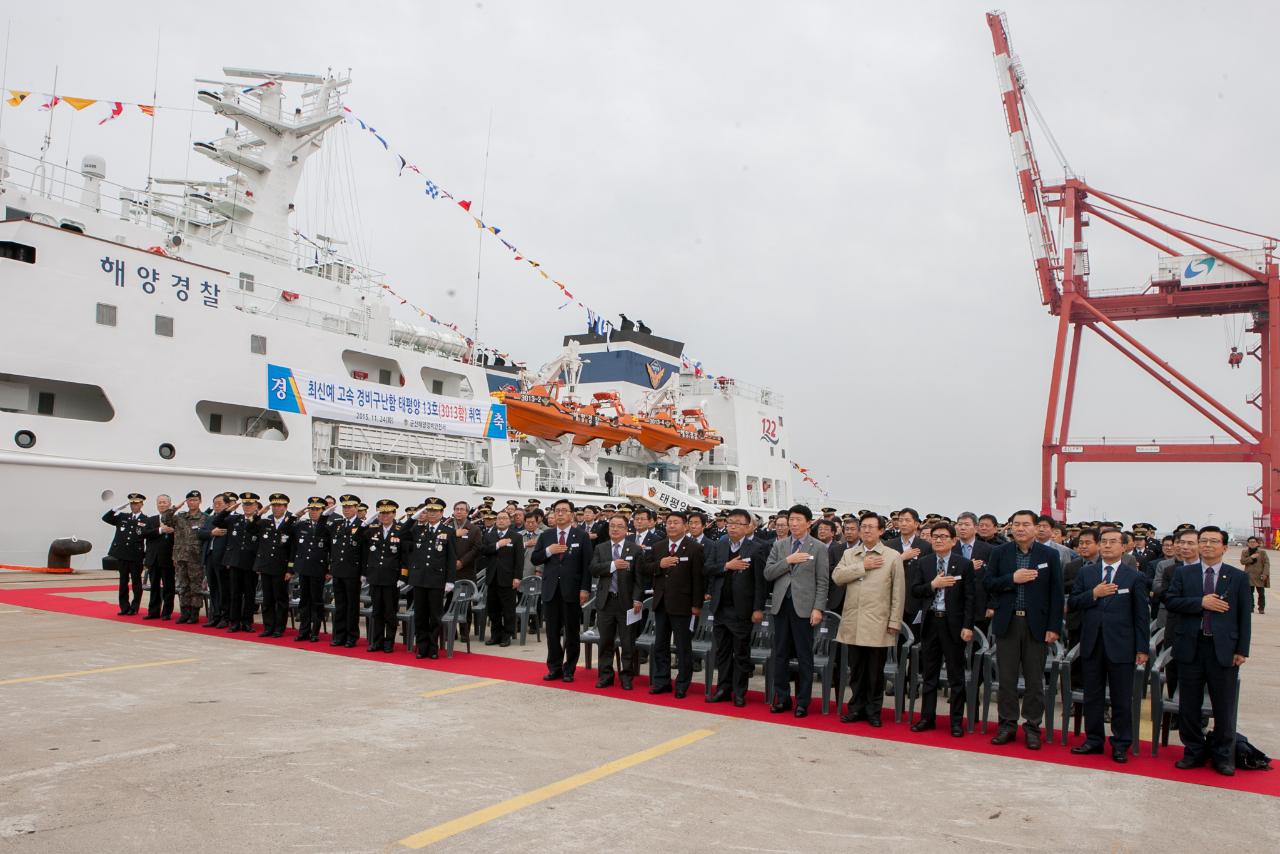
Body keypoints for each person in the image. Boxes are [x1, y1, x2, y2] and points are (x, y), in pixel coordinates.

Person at [1165, 525, 1251, 776]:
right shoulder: (1184, 574)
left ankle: (1223, 756)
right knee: (1188, 704)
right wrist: (1200, 603)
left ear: (1224, 547)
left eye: (1214, 541)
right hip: (1191, 647)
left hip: (1222, 649)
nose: (1208, 545)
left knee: (1223, 705)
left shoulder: (1237, 577)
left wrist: (1242, 649)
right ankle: (1193, 751)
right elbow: (1171, 601)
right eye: (1204, 541)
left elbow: (1244, 616)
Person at [1067, 528, 1150, 763]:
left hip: (1122, 646)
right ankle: (1093, 739)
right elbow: (1074, 602)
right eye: (1103, 541)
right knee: (1092, 695)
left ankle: (1121, 742)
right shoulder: (1087, 573)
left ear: (1123, 547)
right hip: (1092, 644)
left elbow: (1141, 615)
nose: (1107, 546)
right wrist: (1094, 593)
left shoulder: (1133, 576)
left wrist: (1142, 648)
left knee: (1121, 697)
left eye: (1113, 542)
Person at [984, 509, 1063, 750]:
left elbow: (1056, 594)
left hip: (1036, 625)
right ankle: (1007, 724)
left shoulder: (1049, 555)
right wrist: (1012, 579)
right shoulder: (1000, 553)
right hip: (1008, 623)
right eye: (1016, 524)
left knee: (1034, 680)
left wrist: (1053, 627)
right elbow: (988, 583)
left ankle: (1032, 726)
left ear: (1036, 527)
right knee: (1006, 679)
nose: (1020, 528)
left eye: (1025, 524)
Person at [833, 513, 905, 727]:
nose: (866, 531)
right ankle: (855, 708)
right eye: (863, 526)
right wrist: (863, 566)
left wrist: (894, 621)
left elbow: (898, 593)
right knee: (856, 671)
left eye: (871, 527)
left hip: (878, 622)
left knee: (875, 672)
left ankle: (874, 710)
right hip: (854, 621)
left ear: (881, 531)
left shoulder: (892, 556)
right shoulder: (850, 553)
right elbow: (837, 577)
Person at [908, 522, 974, 736]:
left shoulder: (963, 564)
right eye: (935, 536)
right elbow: (916, 590)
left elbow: (970, 598)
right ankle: (927, 717)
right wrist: (933, 585)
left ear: (954, 541)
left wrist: (967, 625)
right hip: (930, 623)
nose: (938, 540)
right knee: (929, 674)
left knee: (956, 675)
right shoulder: (925, 563)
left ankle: (956, 722)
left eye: (944, 536)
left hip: (953, 624)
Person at [763, 505, 829, 718]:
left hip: (805, 608)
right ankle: (781, 698)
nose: (793, 523)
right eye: (791, 519)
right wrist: (788, 561)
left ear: (809, 522)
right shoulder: (780, 546)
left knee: (804, 656)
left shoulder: (818, 547)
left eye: (798, 519)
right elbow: (768, 573)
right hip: (781, 606)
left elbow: (822, 581)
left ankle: (803, 702)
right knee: (780, 654)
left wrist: (818, 608)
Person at [703, 507, 765, 706]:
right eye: (730, 523)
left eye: (738, 523)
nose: (732, 527)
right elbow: (707, 569)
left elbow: (760, 583)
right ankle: (723, 688)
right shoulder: (719, 545)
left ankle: (740, 692)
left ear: (747, 527)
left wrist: (758, 608)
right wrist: (726, 567)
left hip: (743, 610)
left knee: (740, 652)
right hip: (721, 607)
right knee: (722, 651)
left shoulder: (756, 548)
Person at [640, 511, 705, 698]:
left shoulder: (694, 548)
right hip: (661, 604)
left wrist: (696, 605)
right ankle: (662, 681)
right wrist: (660, 564)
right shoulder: (658, 546)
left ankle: (683, 683)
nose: (671, 526)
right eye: (669, 522)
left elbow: (698, 580)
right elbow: (645, 568)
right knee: (660, 644)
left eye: (676, 523)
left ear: (685, 526)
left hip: (684, 605)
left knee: (683, 647)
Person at [530, 498, 592, 682]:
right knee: (552, 632)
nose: (560, 513)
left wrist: (585, 589)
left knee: (571, 632)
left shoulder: (581, 536)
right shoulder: (546, 536)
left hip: (572, 591)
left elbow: (586, 565)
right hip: (551, 590)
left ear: (572, 514)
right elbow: (535, 559)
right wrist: (548, 551)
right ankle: (554, 667)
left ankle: (569, 669)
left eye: (564, 510)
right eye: (557, 510)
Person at [589, 514, 644, 690]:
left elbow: (639, 579)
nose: (615, 529)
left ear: (627, 529)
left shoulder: (634, 549)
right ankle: (605, 675)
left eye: (619, 526)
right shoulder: (601, 548)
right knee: (606, 641)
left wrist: (637, 598)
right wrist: (612, 565)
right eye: (612, 525)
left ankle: (626, 676)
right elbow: (593, 569)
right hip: (606, 602)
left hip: (627, 603)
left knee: (628, 642)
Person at [404, 498, 455, 659]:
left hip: (436, 579)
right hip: (419, 578)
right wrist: (413, 517)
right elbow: (402, 533)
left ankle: (433, 647)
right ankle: (422, 646)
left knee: (434, 616)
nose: (432, 514)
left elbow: (451, 558)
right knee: (420, 615)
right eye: (429, 511)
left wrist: (450, 580)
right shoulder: (418, 530)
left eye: (435, 511)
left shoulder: (448, 531)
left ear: (441, 513)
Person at [362, 499, 406, 653]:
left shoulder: (401, 530)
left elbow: (404, 556)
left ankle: (389, 642)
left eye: (388, 513)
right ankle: (377, 641)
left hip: (392, 578)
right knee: (377, 611)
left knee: (390, 612)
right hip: (375, 577)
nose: (384, 516)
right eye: (381, 513)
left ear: (394, 514)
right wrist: (365, 523)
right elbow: (358, 542)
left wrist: (403, 576)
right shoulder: (372, 529)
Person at [252, 494, 296, 639]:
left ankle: (279, 628)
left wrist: (290, 569)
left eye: (280, 505)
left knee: (280, 599)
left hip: (281, 567)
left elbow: (293, 549)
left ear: (285, 507)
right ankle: (268, 627)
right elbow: (250, 529)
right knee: (267, 599)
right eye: (274, 505)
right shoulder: (265, 521)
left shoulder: (291, 523)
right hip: (266, 566)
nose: (277, 508)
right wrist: (259, 514)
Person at [217, 492, 261, 633]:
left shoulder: (260, 522)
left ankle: (247, 622)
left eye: (250, 504)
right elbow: (216, 522)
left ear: (256, 506)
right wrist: (228, 510)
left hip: (250, 563)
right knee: (235, 593)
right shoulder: (234, 519)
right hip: (235, 562)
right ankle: (234, 622)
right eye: (245, 504)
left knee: (249, 594)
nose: (247, 507)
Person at [324, 494, 365, 648]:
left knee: (352, 606)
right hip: (338, 570)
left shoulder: (363, 525)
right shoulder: (337, 524)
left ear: (356, 508)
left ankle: (351, 636)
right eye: (345, 507)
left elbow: (364, 552)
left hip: (353, 572)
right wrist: (325, 515)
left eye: (350, 507)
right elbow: (324, 535)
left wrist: (363, 573)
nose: (347, 510)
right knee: (340, 605)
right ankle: (338, 635)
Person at [289, 497, 331, 642]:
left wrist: (329, 570)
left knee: (316, 601)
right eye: (311, 509)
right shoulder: (301, 525)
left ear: (322, 510)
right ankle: (303, 630)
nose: (313, 512)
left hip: (318, 569)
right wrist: (296, 515)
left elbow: (331, 550)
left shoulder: (327, 527)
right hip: (303, 568)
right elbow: (285, 529)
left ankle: (315, 631)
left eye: (316, 509)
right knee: (304, 601)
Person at [481, 509, 523, 647]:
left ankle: (507, 635)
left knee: (508, 609)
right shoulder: (489, 536)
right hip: (493, 577)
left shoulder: (516, 537)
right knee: (493, 609)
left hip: (508, 578)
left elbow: (519, 559)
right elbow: (484, 551)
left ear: (509, 521)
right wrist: (498, 544)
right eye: (499, 518)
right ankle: (495, 634)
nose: (501, 520)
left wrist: (517, 577)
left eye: (504, 518)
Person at [102, 493, 148, 615]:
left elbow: (148, 538)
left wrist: (146, 557)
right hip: (122, 555)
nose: (134, 506)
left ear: (141, 504)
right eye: (132, 503)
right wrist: (116, 509)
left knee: (136, 582)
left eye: (137, 503)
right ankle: (124, 607)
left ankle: (134, 607)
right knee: (123, 582)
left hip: (136, 556)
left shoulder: (146, 520)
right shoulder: (122, 516)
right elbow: (106, 518)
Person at [886, 508, 931, 630]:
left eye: (907, 520)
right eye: (901, 520)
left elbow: (927, 576)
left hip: (914, 602)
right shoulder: (888, 545)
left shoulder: (926, 547)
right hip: (891, 602)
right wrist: (901, 558)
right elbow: (884, 571)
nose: (903, 524)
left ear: (916, 524)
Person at [171, 490, 208, 624]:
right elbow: (165, 519)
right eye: (190, 500)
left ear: (200, 501)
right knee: (183, 585)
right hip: (180, 556)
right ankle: (184, 612)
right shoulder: (180, 517)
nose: (192, 502)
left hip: (195, 557)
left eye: (195, 500)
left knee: (195, 586)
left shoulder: (205, 518)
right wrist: (176, 507)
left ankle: (194, 614)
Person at [955, 512, 994, 635]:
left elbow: (993, 579)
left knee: (977, 644)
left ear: (976, 528)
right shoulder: (950, 548)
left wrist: (992, 605)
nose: (962, 528)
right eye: (960, 524)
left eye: (966, 524)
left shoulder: (989, 550)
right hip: (954, 606)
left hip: (980, 607)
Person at [198, 493, 230, 627]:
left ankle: (225, 616)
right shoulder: (210, 519)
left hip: (222, 559)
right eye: (214, 504)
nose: (216, 506)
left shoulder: (230, 519)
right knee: (214, 589)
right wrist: (212, 533)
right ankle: (215, 615)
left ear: (228, 505)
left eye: (219, 504)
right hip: (209, 557)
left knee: (224, 589)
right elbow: (200, 533)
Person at [142, 495, 177, 620]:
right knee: (154, 586)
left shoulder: (175, 520)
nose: (162, 505)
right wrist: (160, 530)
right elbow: (144, 533)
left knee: (168, 586)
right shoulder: (151, 520)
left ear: (169, 504)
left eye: (164, 502)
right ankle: (153, 611)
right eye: (160, 502)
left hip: (168, 558)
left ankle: (167, 612)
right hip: (153, 558)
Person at [1240, 536, 1269, 615]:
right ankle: (1250, 608)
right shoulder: (1244, 552)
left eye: (1254, 542)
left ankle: (1261, 608)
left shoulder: (1262, 552)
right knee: (1249, 593)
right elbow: (1242, 562)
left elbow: (1266, 563)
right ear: (1248, 543)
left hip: (1260, 576)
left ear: (1257, 543)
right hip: (1249, 576)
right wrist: (1251, 557)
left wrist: (1265, 574)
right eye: (1250, 542)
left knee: (1261, 593)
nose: (1252, 543)